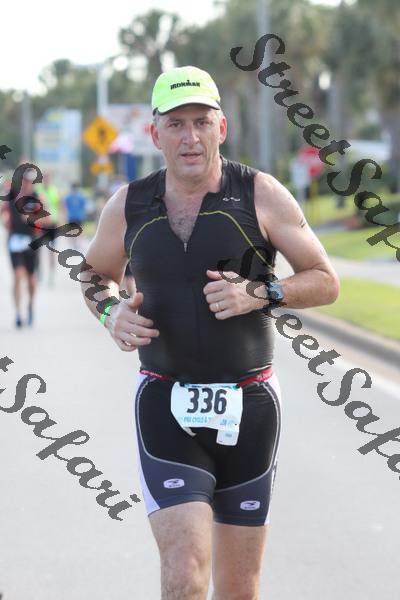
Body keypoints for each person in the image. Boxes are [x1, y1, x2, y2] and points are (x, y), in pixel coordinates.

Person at [80, 66, 339, 599]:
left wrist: (262, 292)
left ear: (222, 128)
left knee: (239, 589)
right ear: (155, 134)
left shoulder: (261, 194)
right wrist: (109, 313)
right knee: (184, 573)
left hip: (251, 406)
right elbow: (94, 275)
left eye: (201, 122)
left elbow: (325, 280)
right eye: (176, 124)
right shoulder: (128, 205)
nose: (190, 137)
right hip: (164, 402)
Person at [1, 168, 49, 327]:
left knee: (31, 279)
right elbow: (3, 212)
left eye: (30, 181)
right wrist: (5, 218)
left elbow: (47, 219)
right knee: (18, 275)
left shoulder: (37, 197)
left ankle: (30, 305)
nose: (27, 184)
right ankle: (18, 313)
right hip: (14, 240)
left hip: (31, 241)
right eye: (25, 181)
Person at [37, 173, 61, 285]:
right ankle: (39, 272)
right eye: (45, 179)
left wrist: (60, 220)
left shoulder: (54, 191)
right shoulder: (38, 191)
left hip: (52, 224)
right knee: (38, 250)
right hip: (41, 224)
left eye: (48, 179)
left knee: (51, 250)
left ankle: (51, 275)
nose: (47, 181)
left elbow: (59, 206)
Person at [63, 183, 87, 249]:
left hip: (75, 216)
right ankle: (75, 244)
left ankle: (76, 244)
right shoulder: (73, 197)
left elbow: (66, 206)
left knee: (76, 230)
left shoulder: (73, 197)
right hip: (75, 216)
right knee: (76, 230)